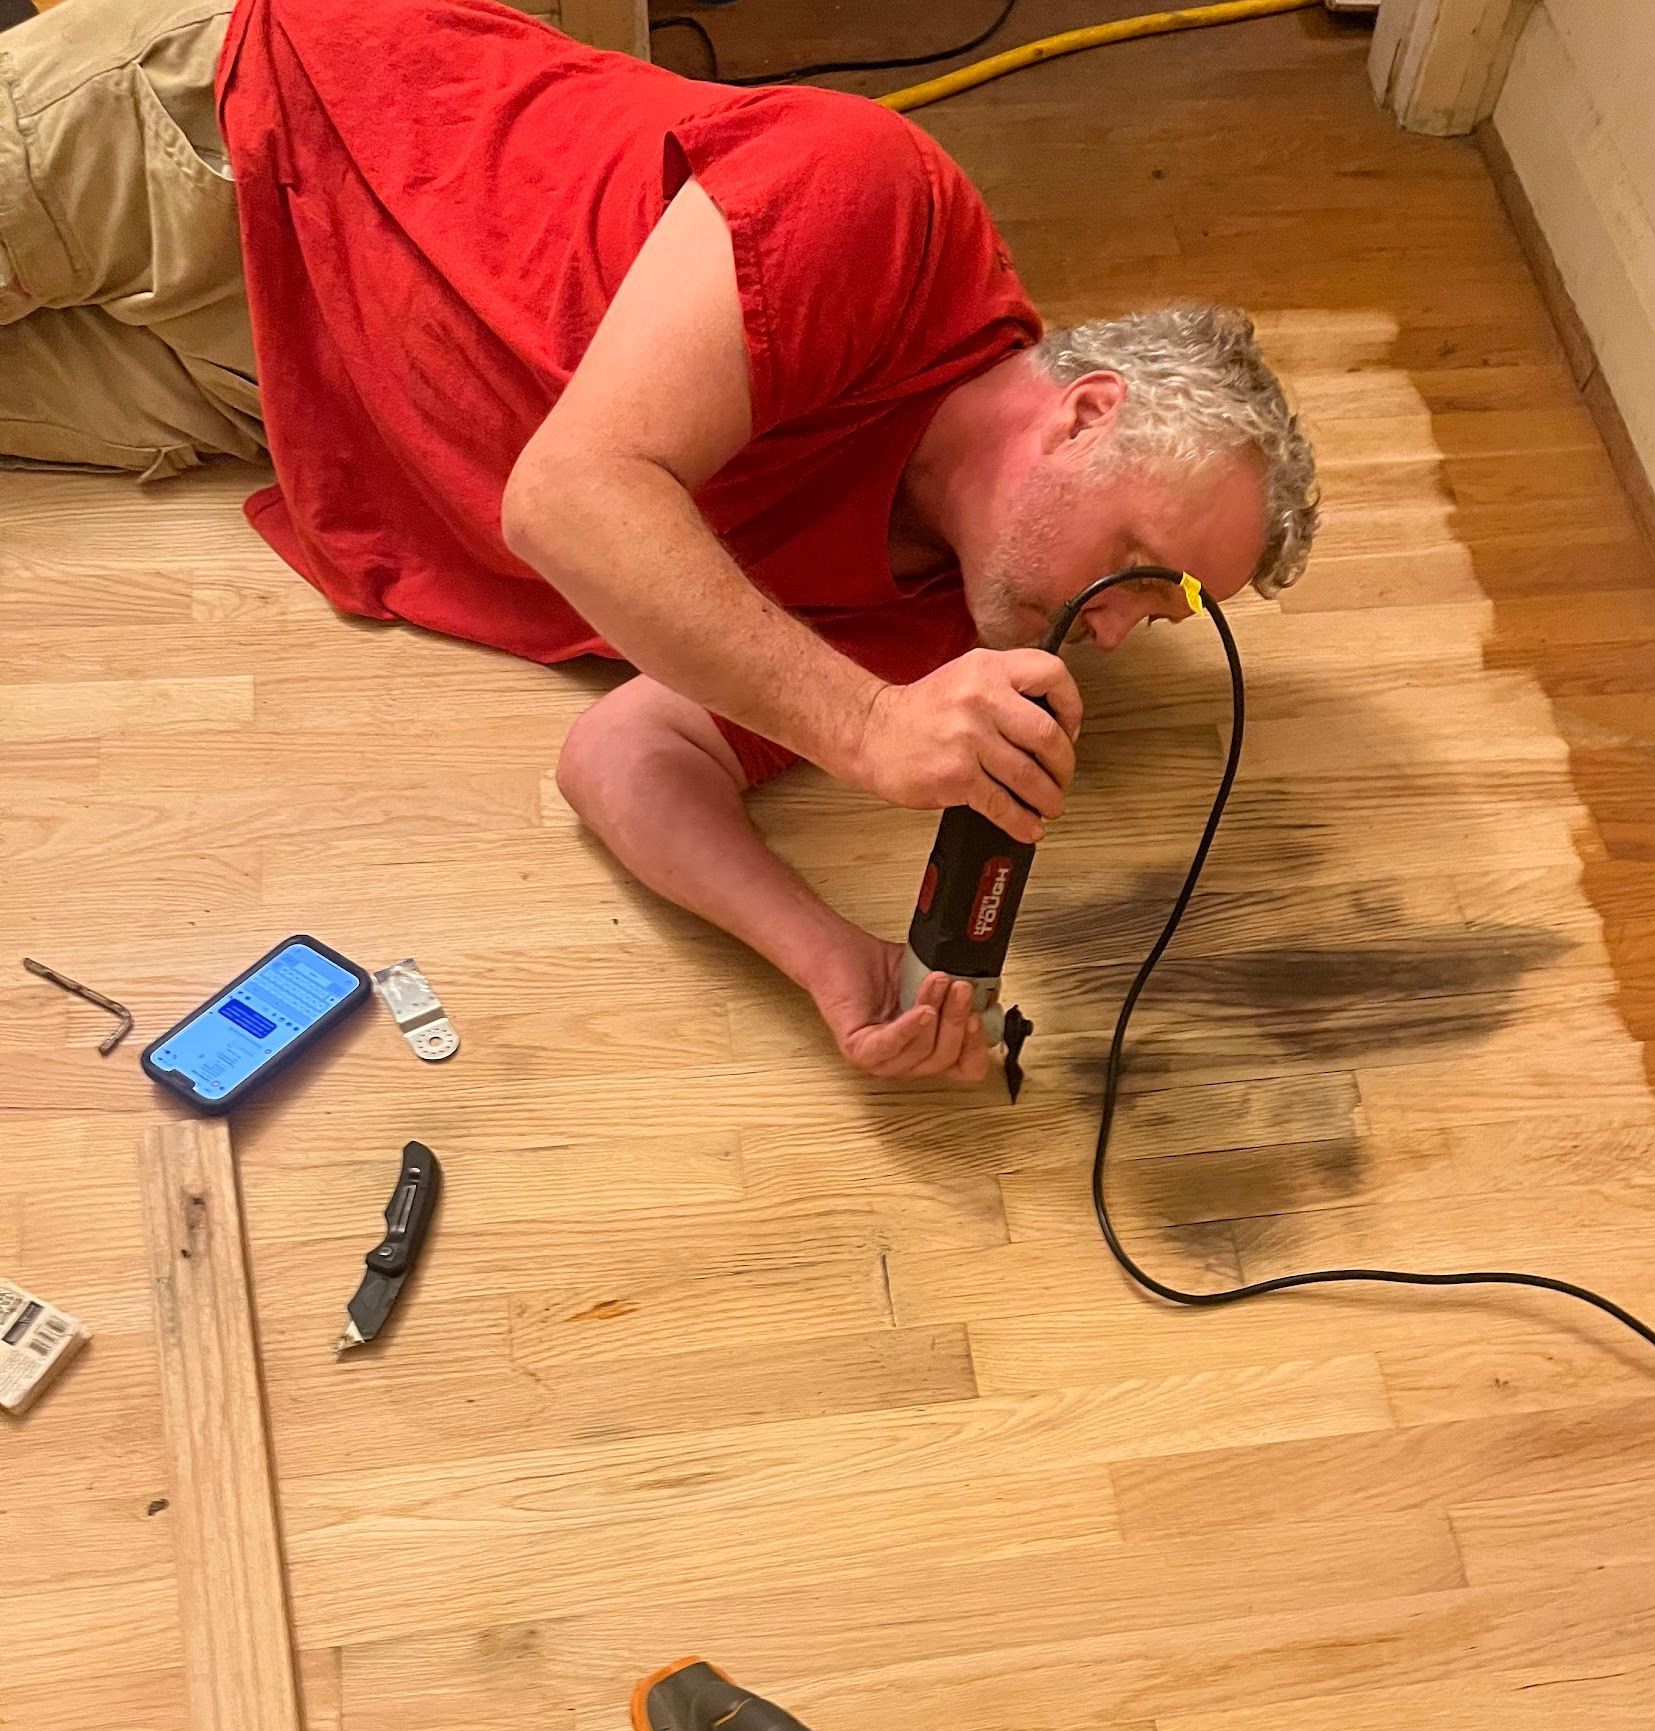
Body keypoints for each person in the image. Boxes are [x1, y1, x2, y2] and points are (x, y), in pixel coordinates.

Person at [0, 0, 1318, 1079]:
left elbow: (623, 755)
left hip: (273, 394)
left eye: (1166, 613)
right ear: (1086, 415)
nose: (1115, 631)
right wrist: (864, 728)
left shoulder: (944, 624)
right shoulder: (882, 211)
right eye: (1141, 570)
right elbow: (570, 496)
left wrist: (831, 957)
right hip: (242, 137)